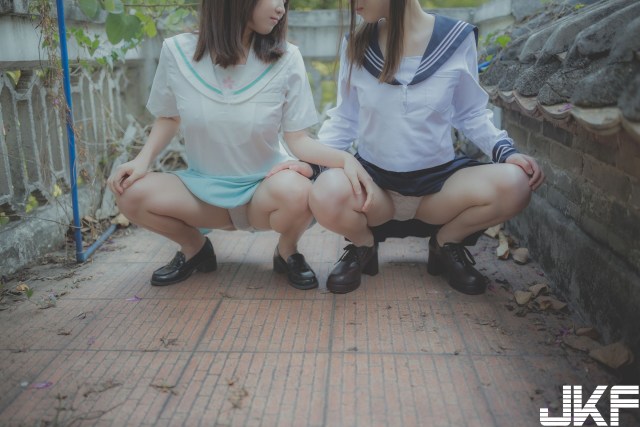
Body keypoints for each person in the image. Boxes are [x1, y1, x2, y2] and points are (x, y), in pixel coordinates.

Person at [107, 0, 373, 289]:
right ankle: (195, 248)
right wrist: (141, 161)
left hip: (265, 192)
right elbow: (169, 117)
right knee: (129, 193)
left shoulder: (287, 58)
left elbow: (298, 138)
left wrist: (345, 160)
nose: (281, 8)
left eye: (284, 1)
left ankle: (287, 251)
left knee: (298, 190)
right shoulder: (177, 51)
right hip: (201, 194)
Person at [307, 0, 545, 295]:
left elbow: (470, 113)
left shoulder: (455, 38)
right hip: (375, 190)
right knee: (324, 191)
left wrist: (506, 151)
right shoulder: (356, 44)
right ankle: (363, 246)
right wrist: (310, 163)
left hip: (438, 189)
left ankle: (446, 243)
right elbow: (345, 119)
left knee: (517, 184)